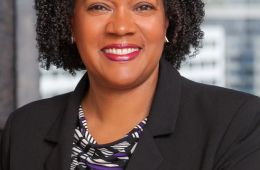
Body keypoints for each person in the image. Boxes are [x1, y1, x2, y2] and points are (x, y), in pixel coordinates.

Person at [1, 0, 260, 169]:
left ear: (167, 21)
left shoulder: (237, 124)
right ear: (70, 21)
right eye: (99, 7)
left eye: (143, 6)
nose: (121, 27)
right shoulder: (23, 129)